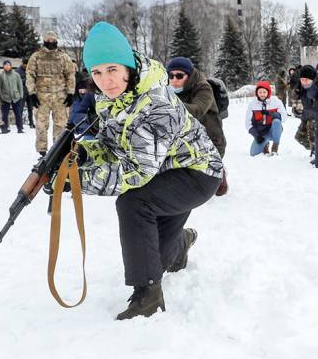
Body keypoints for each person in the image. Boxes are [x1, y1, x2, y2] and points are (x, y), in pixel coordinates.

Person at [68, 22, 223, 320]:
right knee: (158, 257)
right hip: (165, 170)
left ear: (128, 66)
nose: (105, 80)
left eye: (112, 69)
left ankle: (148, 296)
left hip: (198, 174)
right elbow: (113, 145)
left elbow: (136, 173)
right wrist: (85, 153)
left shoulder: (156, 102)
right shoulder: (110, 98)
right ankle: (180, 246)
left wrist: (76, 181)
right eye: (97, 72)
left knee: (133, 201)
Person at [166, 56, 229, 196]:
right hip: (188, 137)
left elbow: (197, 110)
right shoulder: (168, 89)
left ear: (189, 76)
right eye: (171, 75)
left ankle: (220, 171)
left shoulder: (203, 87)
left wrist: (166, 104)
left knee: (218, 188)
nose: (174, 79)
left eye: (179, 75)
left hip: (212, 138)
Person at [26, 31, 75, 155]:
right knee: (41, 125)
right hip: (41, 97)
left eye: (53, 41)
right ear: (44, 41)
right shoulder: (36, 57)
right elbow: (30, 75)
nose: (51, 43)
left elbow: (70, 75)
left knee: (61, 125)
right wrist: (31, 93)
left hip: (60, 97)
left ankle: (58, 151)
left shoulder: (63, 57)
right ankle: (42, 151)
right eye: (49, 41)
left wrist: (71, 93)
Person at [246, 80, 287, 156]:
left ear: (268, 92)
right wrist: (256, 136)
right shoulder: (252, 104)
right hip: (261, 133)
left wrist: (271, 114)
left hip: (273, 130)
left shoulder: (276, 101)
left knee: (277, 122)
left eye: (264, 92)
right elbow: (248, 124)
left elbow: (284, 118)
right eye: (260, 92)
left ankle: (275, 146)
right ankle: (265, 144)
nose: (262, 94)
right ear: (257, 93)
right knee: (253, 153)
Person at [292, 65, 317, 159]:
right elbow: (295, 103)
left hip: (317, 119)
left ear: (313, 79)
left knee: (312, 134)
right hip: (305, 117)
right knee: (299, 137)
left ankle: (317, 151)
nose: (304, 82)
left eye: (307, 79)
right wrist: (295, 110)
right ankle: (315, 148)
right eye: (302, 79)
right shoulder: (300, 88)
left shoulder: (317, 88)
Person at [0, 60, 25, 133]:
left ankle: (19, 128)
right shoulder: (0, 75)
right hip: (5, 98)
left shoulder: (16, 75)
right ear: (3, 66)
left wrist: (21, 95)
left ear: (11, 66)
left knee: (18, 113)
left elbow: (20, 86)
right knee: (5, 114)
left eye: (8, 65)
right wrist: (1, 97)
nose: (7, 66)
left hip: (16, 97)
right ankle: (5, 128)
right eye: (5, 65)